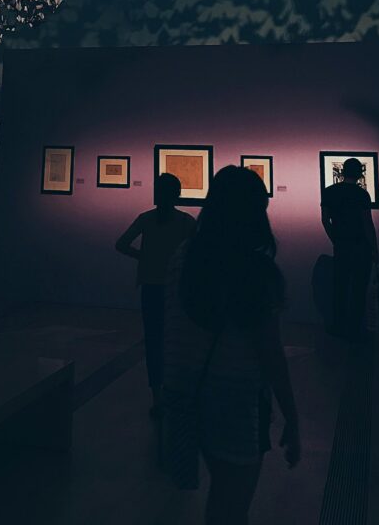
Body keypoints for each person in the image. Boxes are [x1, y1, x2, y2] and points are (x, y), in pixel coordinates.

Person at [163, 166, 300, 525]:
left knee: (221, 499)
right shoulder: (255, 272)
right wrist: (292, 416)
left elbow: (173, 328)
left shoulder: (184, 256)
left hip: (184, 393)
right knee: (232, 503)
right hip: (235, 398)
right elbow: (271, 354)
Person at [115, 173, 196, 416]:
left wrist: (143, 257)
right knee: (177, 341)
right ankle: (176, 392)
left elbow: (121, 244)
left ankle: (157, 396)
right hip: (176, 288)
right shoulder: (185, 222)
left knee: (154, 341)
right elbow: (198, 252)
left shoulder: (146, 219)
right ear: (177, 194)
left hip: (151, 285)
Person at [321, 157, 379, 341]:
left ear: (343, 172)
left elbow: (325, 220)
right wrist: (375, 248)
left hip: (342, 246)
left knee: (340, 286)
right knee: (358, 288)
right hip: (361, 246)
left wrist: (335, 239)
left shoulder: (329, 192)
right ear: (359, 174)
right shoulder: (362, 195)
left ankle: (338, 326)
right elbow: (367, 224)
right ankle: (355, 328)